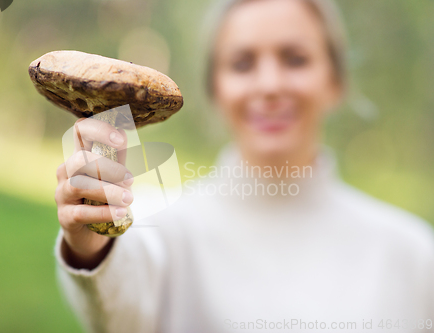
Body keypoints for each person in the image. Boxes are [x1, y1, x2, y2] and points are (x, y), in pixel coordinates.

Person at [53, 0, 434, 332]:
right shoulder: (158, 226)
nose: (269, 84)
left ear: (334, 80)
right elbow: (119, 314)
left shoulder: (412, 253)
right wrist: (91, 244)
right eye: (242, 63)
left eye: (295, 59)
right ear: (216, 88)